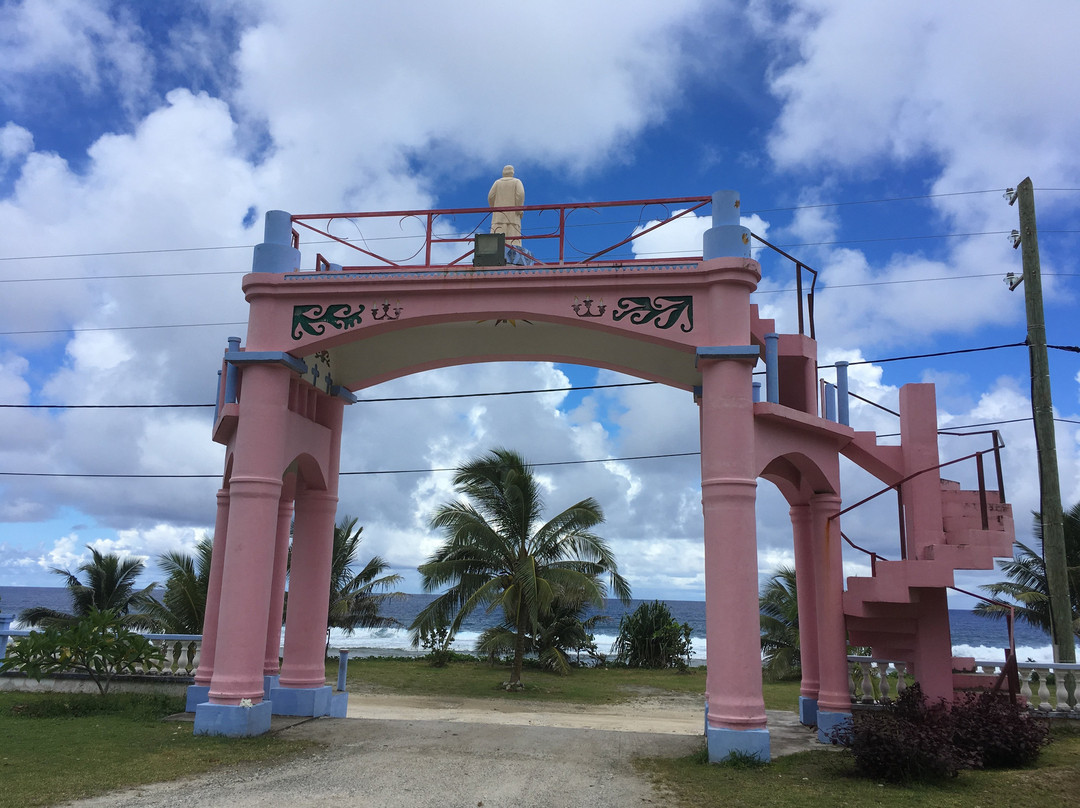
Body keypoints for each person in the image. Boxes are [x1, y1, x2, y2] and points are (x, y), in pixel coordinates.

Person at [487, 165, 525, 246]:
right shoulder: (517, 182)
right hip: (513, 216)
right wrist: (519, 209)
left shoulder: (497, 183)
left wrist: (494, 209)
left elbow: (490, 196)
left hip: (498, 216)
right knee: (513, 240)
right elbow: (520, 195)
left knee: (496, 242)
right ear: (512, 172)